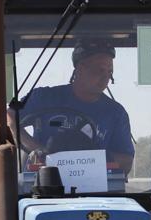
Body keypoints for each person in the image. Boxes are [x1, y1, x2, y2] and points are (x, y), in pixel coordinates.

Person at [14, 39, 134, 172]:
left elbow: (126, 161)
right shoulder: (44, 97)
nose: (105, 77)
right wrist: (38, 150)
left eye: (109, 72)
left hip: (93, 188)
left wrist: (93, 158)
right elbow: (7, 121)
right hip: (40, 186)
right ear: (80, 68)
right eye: (99, 70)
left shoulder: (116, 113)